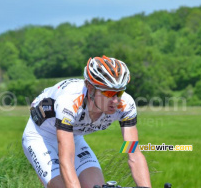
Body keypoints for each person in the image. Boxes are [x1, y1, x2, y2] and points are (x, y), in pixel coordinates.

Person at [22, 55, 151, 188]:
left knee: (96, 186)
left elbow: (133, 152)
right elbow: (66, 159)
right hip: (40, 137)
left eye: (119, 93)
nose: (115, 100)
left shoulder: (125, 104)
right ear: (90, 88)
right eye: (108, 93)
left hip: (74, 137)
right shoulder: (69, 101)